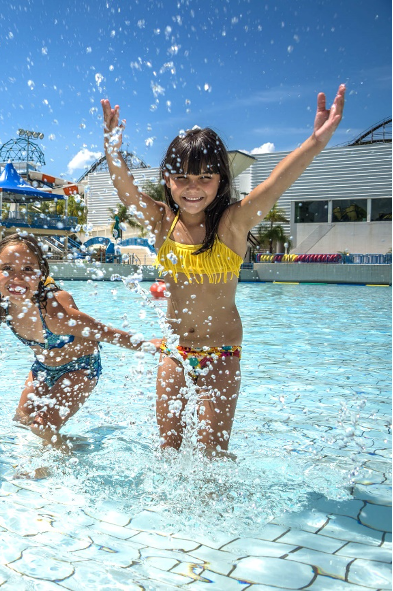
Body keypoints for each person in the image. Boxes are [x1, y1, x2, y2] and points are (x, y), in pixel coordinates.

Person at [101, 84, 346, 455]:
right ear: (167, 180)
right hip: (174, 351)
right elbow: (125, 190)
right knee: (168, 449)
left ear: (220, 180)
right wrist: (112, 149)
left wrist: (314, 142)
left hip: (222, 354)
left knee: (212, 453)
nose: (192, 188)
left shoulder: (232, 224)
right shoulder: (160, 221)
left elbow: (275, 185)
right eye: (182, 177)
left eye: (204, 178)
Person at [0, 233, 159, 446]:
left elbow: (104, 332)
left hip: (80, 368)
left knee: (43, 427)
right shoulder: (2, 310)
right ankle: (71, 446)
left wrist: (148, 345)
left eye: (27, 269)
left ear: (41, 273)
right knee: (22, 422)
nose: (17, 278)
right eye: (7, 269)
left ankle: (57, 469)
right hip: (42, 369)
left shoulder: (55, 313)